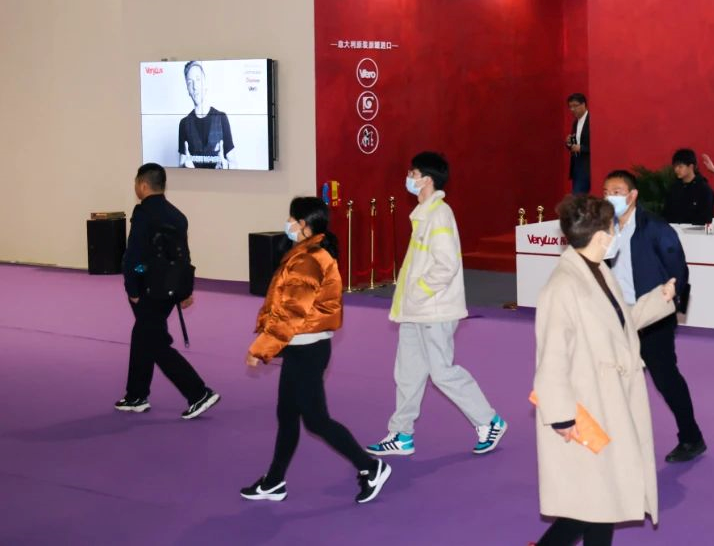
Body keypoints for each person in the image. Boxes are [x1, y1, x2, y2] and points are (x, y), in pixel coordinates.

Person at [531, 195, 678, 546]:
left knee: (603, 500)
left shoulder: (597, 271)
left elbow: (618, 324)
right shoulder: (563, 286)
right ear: (600, 236)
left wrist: (658, 300)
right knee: (589, 506)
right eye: (613, 228)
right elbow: (551, 357)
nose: (616, 234)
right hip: (585, 410)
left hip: (607, 403)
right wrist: (562, 416)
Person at [241, 197, 391, 504]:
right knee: (287, 414)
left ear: (304, 224)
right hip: (301, 347)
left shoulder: (309, 259)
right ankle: (274, 481)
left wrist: (262, 348)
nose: (288, 224)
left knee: (316, 420)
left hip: (307, 349)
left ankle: (370, 467)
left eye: (292, 219)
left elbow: (292, 311)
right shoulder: (305, 253)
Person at [367, 151, 508, 457]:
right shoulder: (424, 213)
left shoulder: (439, 214)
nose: (409, 178)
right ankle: (401, 433)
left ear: (427, 180)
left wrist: (418, 292)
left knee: (442, 372)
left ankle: (489, 421)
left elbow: (446, 265)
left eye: (413, 174)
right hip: (415, 311)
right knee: (408, 372)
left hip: (434, 309)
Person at [603, 170, 706, 463]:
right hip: (617, 315)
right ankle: (617, 440)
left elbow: (678, 269)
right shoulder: (603, 228)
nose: (610, 197)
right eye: (606, 192)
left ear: (633, 195)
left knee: (665, 378)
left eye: (617, 192)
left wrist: (671, 298)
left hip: (651, 316)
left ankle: (691, 437)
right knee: (611, 378)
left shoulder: (656, 228)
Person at [115, 163, 220, 419]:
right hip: (170, 289)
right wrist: (185, 291)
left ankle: (198, 392)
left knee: (155, 343)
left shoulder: (143, 213)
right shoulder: (177, 215)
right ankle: (136, 395)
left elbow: (133, 255)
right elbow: (183, 257)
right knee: (143, 335)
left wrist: (131, 287)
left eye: (135, 183)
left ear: (142, 185)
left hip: (147, 288)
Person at [178, 60, 236, 169]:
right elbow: (181, 164)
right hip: (193, 180)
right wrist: (185, 167)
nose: (195, 87)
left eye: (198, 80)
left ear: (205, 83)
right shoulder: (184, 124)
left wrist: (226, 166)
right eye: (190, 82)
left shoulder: (222, 118)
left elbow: (234, 163)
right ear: (187, 89)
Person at [663, 149, 714, 226]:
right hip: (674, 230)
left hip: (696, 231)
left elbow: (707, 217)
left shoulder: (704, 189)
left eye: (680, 166)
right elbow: (666, 213)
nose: (676, 169)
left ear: (691, 167)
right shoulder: (674, 188)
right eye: (675, 166)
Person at [566, 93, 591, 194]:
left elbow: (597, 145)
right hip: (576, 163)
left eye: (575, 106)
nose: (572, 109)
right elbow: (576, 142)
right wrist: (569, 143)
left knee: (578, 196)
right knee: (577, 195)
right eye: (570, 107)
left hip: (587, 165)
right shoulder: (576, 122)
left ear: (583, 104)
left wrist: (581, 148)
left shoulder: (591, 120)